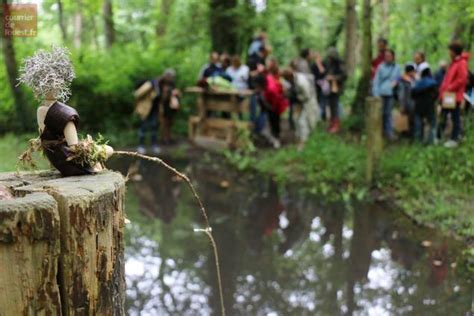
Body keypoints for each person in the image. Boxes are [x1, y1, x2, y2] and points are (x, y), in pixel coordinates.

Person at [438, 41, 469, 148]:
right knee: (443, 114)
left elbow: (462, 79)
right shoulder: (454, 62)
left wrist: (450, 88)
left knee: (455, 116)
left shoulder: (461, 63)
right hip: (448, 95)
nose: (449, 53)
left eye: (450, 50)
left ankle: (454, 139)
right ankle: (439, 137)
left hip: (454, 96)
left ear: (454, 51)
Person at [282, 67, 319, 149]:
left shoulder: (301, 82)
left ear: (290, 77)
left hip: (307, 102)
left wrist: (295, 97)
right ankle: (298, 137)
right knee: (296, 119)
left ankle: (304, 141)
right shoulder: (294, 79)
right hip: (299, 102)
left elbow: (307, 95)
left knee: (304, 121)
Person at [373, 49, 401, 139]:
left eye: (389, 56)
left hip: (391, 94)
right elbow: (376, 81)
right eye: (386, 56)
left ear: (393, 57)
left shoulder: (397, 67)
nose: (387, 57)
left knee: (388, 113)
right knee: (380, 113)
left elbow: (398, 78)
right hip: (381, 93)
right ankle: (378, 132)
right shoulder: (381, 67)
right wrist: (376, 94)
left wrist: (396, 82)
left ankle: (389, 133)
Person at [262, 58, 289, 148]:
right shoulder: (266, 75)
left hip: (276, 101)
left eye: (268, 63)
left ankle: (276, 137)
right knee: (271, 119)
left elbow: (282, 87)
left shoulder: (277, 75)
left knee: (275, 120)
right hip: (269, 101)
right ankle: (274, 136)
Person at [411, 65, 438, 144]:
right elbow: (436, 94)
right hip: (429, 106)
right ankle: (431, 141)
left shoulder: (417, 84)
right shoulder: (433, 83)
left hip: (418, 106)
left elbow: (412, 94)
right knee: (432, 123)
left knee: (418, 124)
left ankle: (418, 140)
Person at [134, 77, 161, 154]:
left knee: (154, 128)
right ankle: (141, 146)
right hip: (145, 111)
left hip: (154, 111)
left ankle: (154, 145)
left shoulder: (158, 87)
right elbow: (137, 94)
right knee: (143, 128)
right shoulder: (149, 85)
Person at [324, 47, 346, 133]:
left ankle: (336, 125)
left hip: (336, 87)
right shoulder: (330, 63)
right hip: (330, 87)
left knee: (335, 106)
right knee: (331, 106)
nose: (329, 58)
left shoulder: (340, 63)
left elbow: (344, 75)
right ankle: (332, 124)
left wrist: (334, 77)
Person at [158, 69, 180, 145]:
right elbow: (161, 97)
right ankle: (164, 138)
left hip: (171, 106)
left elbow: (174, 93)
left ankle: (168, 138)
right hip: (163, 105)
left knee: (170, 122)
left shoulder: (172, 83)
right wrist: (166, 92)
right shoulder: (160, 83)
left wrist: (175, 93)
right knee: (164, 122)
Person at [397, 63, 416, 139]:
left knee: (413, 121)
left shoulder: (413, 80)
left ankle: (413, 136)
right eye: (412, 72)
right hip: (408, 104)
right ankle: (411, 136)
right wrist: (402, 106)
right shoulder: (403, 81)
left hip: (413, 103)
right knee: (410, 121)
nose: (414, 73)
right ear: (409, 72)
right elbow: (401, 95)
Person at [311, 52, 329, 121]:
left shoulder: (324, 64)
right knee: (318, 102)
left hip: (324, 86)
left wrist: (319, 64)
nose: (319, 59)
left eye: (319, 57)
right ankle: (318, 117)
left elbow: (323, 72)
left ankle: (322, 117)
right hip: (316, 87)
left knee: (323, 102)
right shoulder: (313, 66)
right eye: (317, 58)